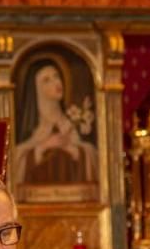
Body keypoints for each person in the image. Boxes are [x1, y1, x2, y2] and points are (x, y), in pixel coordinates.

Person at [13, 57, 97, 186]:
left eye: (56, 76)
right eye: (47, 80)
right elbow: (14, 163)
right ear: (37, 89)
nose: (56, 82)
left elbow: (94, 156)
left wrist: (75, 151)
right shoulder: (33, 127)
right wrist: (43, 147)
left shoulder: (70, 122)